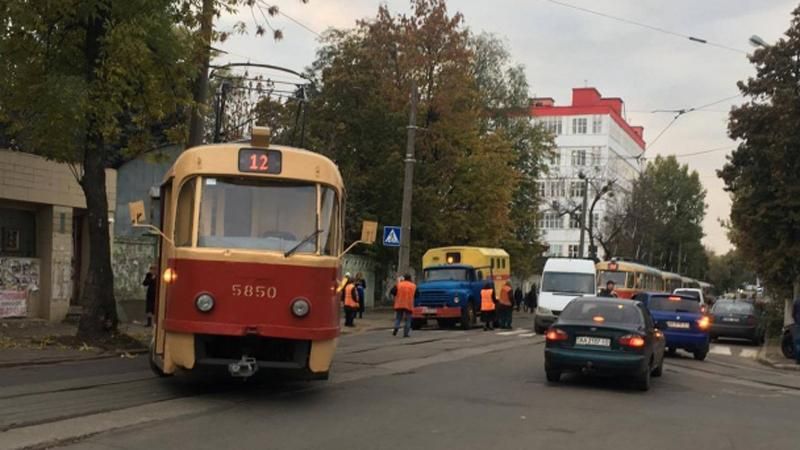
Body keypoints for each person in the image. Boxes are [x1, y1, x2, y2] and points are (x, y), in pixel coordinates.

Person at [793, 297, 800, 364]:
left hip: (798, 323)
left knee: (798, 342)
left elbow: (793, 314)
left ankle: (798, 360)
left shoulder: (797, 301)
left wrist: (796, 321)